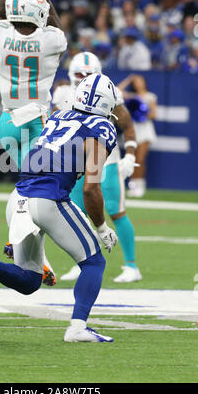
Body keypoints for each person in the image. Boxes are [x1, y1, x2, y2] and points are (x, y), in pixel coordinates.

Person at [0, 72, 119, 343]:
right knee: (93, 262)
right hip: (49, 198)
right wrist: (101, 227)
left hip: (17, 198)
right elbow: (91, 187)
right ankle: (77, 328)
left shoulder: (59, 116)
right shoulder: (101, 127)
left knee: (30, 281)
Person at [0, 0, 67, 286]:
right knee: (42, 191)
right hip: (38, 121)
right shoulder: (50, 41)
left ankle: (32, 253)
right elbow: (57, 29)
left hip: (9, 120)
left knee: (29, 187)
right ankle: (18, 242)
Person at [54, 52, 141, 283]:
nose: (83, 78)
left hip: (106, 157)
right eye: (79, 74)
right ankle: (80, 262)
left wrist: (130, 154)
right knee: (77, 213)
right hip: (77, 162)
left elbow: (128, 125)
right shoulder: (63, 92)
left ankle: (131, 265)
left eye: (88, 74)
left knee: (115, 210)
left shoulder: (109, 91)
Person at [118, 74, 157, 198]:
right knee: (131, 159)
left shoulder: (150, 96)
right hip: (133, 130)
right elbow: (117, 91)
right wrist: (128, 79)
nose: (138, 83)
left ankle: (140, 186)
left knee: (140, 159)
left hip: (145, 130)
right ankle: (133, 186)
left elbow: (154, 114)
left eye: (140, 81)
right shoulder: (131, 97)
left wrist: (142, 113)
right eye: (135, 82)